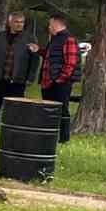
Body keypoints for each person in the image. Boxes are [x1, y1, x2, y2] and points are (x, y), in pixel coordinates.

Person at [40, 9, 81, 144]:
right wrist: (39, 51)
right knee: (47, 110)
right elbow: (52, 56)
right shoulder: (54, 39)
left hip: (59, 83)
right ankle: (48, 136)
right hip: (47, 81)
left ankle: (63, 138)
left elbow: (71, 62)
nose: (49, 27)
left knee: (62, 110)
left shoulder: (68, 39)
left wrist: (60, 79)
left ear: (56, 24)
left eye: (50, 24)